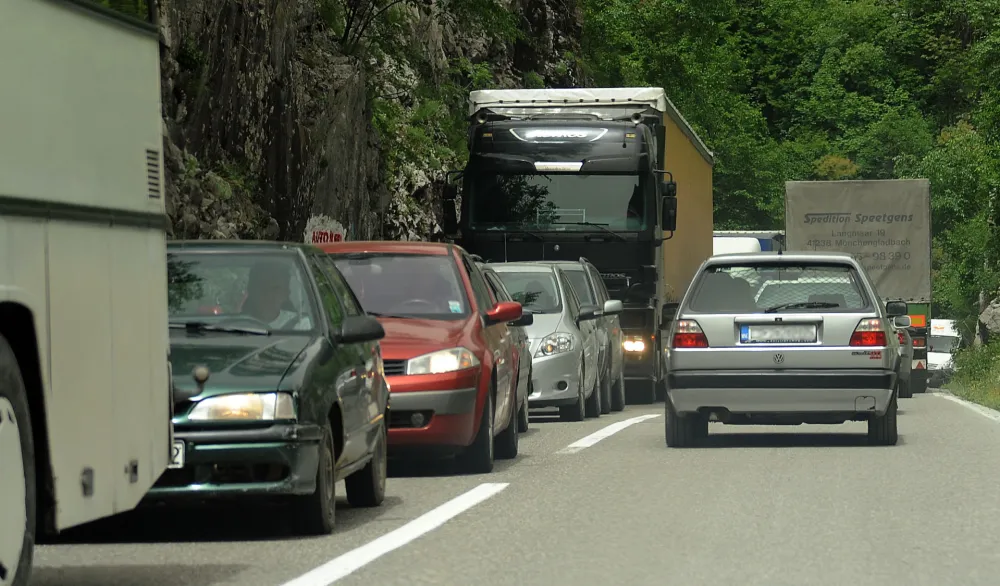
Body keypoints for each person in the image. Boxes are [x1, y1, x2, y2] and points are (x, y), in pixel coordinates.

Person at [241, 259, 312, 330]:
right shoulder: (237, 325)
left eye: (276, 288)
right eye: (263, 287)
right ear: (251, 290)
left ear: (286, 293)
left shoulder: (301, 324)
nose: (268, 294)